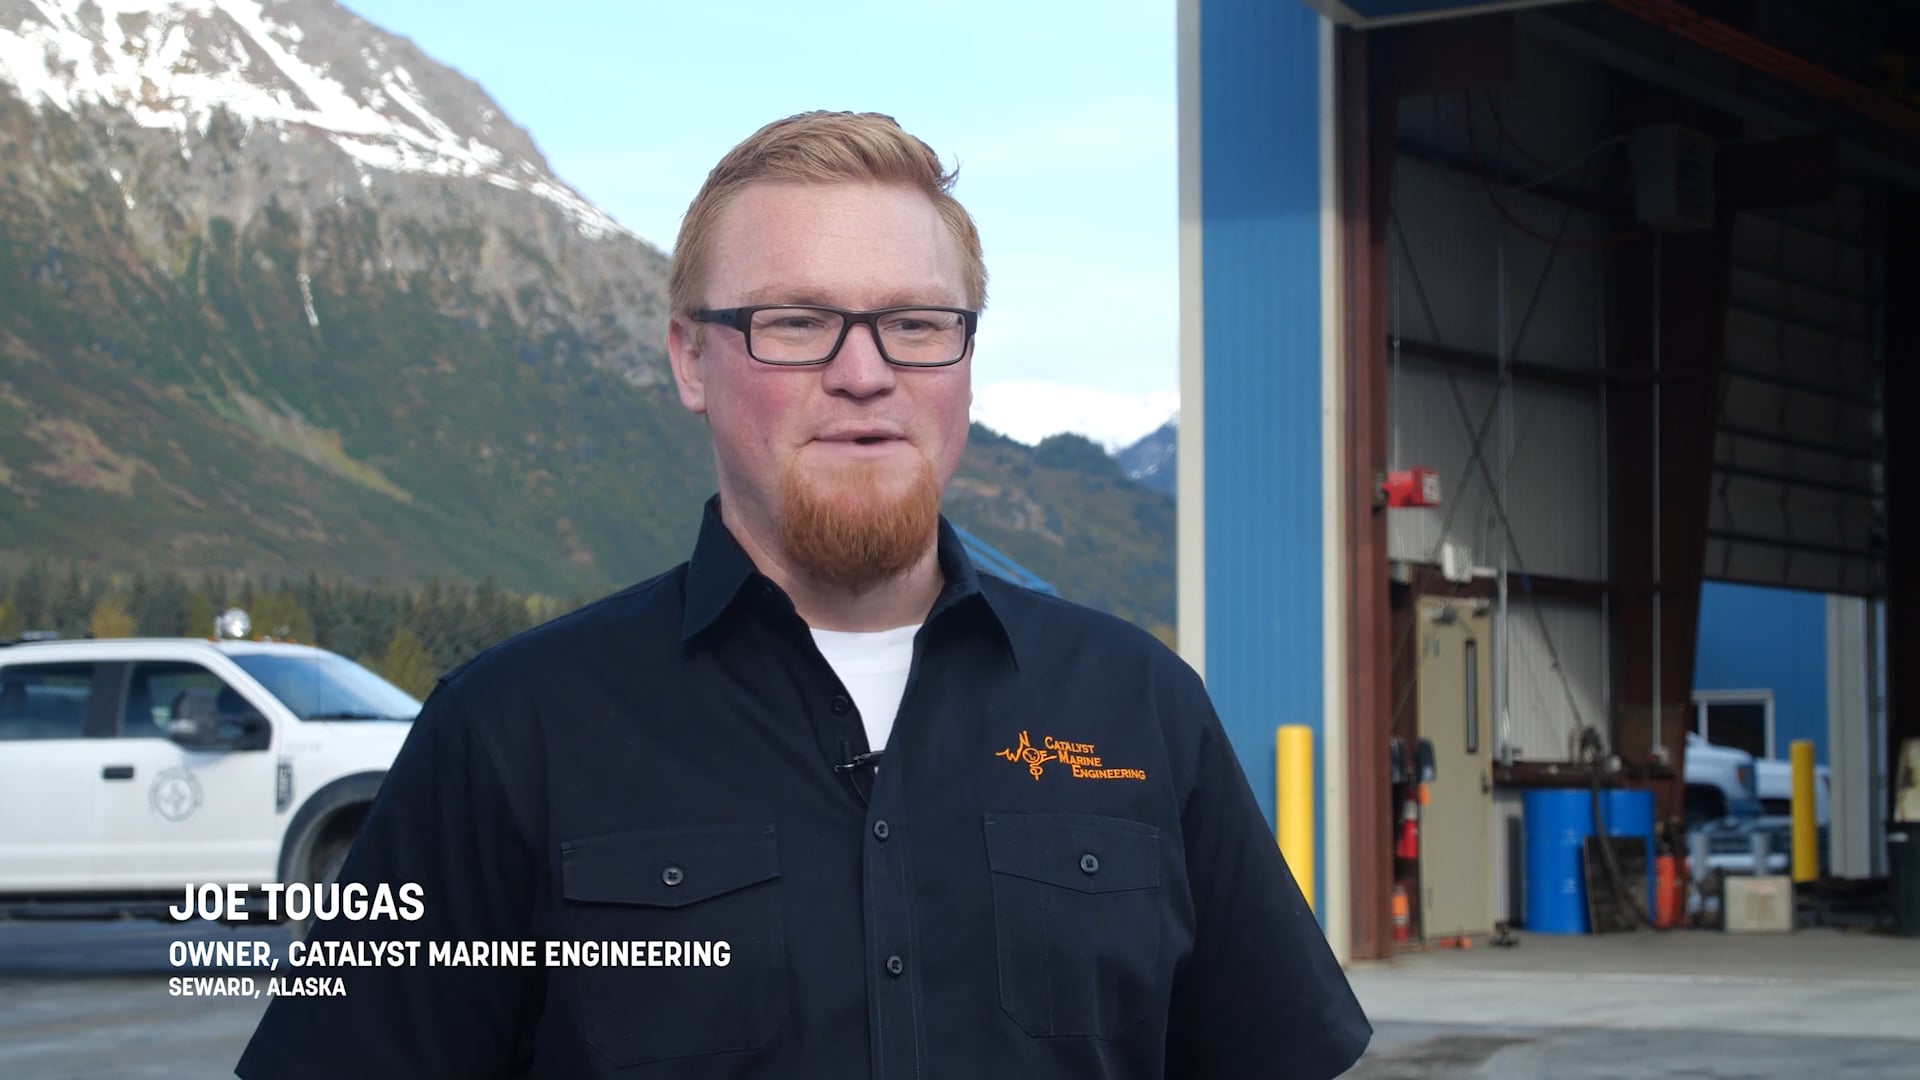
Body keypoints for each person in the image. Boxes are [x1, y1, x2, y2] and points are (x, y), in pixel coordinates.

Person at [236, 110, 1371, 1079]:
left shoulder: (1141, 711)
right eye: (794, 323)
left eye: (916, 324)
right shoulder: (506, 733)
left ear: (965, 363)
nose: (865, 371)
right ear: (690, 360)